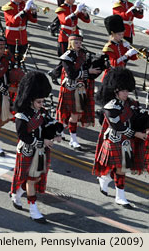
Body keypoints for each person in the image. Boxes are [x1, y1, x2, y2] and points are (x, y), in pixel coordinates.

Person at [10, 71, 63, 223]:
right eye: (39, 102)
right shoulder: (22, 116)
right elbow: (23, 136)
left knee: (35, 178)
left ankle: (17, 193)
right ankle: (33, 210)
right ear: (31, 100)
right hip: (28, 150)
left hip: (41, 151)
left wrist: (57, 133)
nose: (42, 104)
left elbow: (50, 125)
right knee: (31, 180)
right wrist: (42, 142)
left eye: (42, 101)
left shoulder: (43, 112)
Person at [93, 67, 146, 209]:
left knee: (121, 167)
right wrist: (136, 134)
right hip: (115, 139)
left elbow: (135, 118)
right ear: (116, 91)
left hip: (127, 140)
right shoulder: (110, 107)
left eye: (127, 90)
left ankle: (105, 178)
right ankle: (120, 196)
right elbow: (118, 127)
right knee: (122, 168)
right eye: (123, 91)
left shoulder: (131, 103)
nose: (126, 93)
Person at [56, 34, 101, 150]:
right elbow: (72, 74)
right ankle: (73, 139)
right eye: (76, 43)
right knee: (74, 114)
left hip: (81, 88)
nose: (79, 45)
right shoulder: (66, 57)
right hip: (70, 88)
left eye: (80, 43)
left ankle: (62, 129)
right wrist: (88, 71)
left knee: (77, 114)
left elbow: (86, 68)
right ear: (70, 43)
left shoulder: (83, 54)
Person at [47, 0, 90, 85]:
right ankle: (58, 74)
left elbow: (86, 20)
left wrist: (84, 13)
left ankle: (57, 73)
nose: (74, 0)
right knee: (66, 58)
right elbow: (65, 21)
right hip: (64, 38)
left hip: (74, 37)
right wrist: (76, 11)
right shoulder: (61, 9)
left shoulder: (74, 7)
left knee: (71, 58)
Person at [102, 14, 138, 81]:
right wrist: (126, 55)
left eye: (122, 34)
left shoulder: (121, 44)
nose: (121, 36)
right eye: (119, 34)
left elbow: (132, 58)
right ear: (112, 34)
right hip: (111, 76)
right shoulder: (108, 47)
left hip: (121, 73)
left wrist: (134, 52)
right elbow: (114, 63)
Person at [2, 0, 37, 64]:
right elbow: (14, 21)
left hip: (23, 37)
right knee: (12, 58)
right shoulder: (8, 7)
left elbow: (34, 20)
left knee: (21, 58)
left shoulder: (23, 5)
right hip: (12, 37)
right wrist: (25, 10)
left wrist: (33, 11)